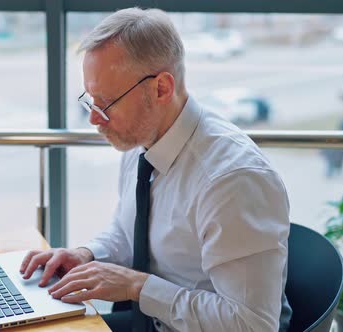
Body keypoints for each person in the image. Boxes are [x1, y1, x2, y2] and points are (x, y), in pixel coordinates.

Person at [20, 8, 292, 332]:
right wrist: (86, 255)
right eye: (90, 100)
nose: (94, 118)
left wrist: (138, 287)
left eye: (105, 103)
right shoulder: (143, 139)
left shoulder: (232, 181)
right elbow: (128, 232)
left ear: (161, 89)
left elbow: (252, 325)